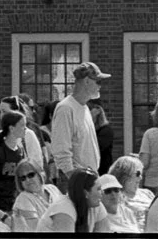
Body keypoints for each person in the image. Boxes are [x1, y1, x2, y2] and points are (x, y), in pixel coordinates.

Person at [53, 64, 111, 229]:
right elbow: (61, 151)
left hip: (89, 180)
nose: (100, 86)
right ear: (86, 81)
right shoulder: (65, 108)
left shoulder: (84, 108)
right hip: (75, 181)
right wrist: (77, 182)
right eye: (98, 81)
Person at [0, 109, 34, 214]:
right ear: (11, 128)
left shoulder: (21, 151)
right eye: (22, 125)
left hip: (16, 206)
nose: (25, 129)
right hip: (0, 206)